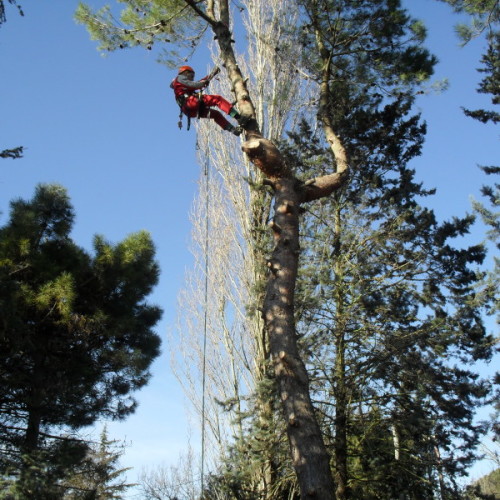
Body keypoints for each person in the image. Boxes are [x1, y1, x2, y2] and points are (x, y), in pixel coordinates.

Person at [170, 65, 247, 135]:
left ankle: (233, 130)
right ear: (185, 72)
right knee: (218, 99)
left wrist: (211, 75)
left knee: (216, 115)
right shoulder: (180, 78)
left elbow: (198, 83)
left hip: (190, 111)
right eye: (191, 75)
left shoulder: (180, 86)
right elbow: (194, 85)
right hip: (191, 102)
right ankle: (239, 117)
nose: (192, 78)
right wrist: (203, 83)